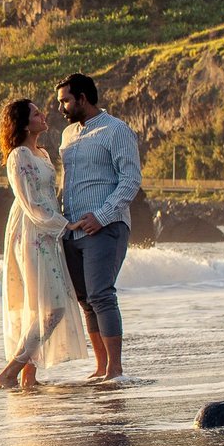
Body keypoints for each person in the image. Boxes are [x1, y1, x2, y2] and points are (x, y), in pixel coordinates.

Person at [54, 72, 143, 381]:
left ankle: (116, 369)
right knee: (85, 300)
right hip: (72, 230)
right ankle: (101, 367)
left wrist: (102, 216)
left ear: (82, 98)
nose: (61, 107)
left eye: (65, 100)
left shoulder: (116, 131)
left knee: (101, 294)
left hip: (106, 227)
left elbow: (131, 180)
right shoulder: (67, 136)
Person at [0, 98, 88, 389]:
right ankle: (11, 370)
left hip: (49, 232)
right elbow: (30, 202)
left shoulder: (44, 154)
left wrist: (60, 224)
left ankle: (28, 377)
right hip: (31, 232)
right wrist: (64, 225)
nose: (42, 114)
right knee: (52, 307)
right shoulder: (19, 155)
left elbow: (50, 196)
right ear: (23, 123)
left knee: (43, 304)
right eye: (36, 113)